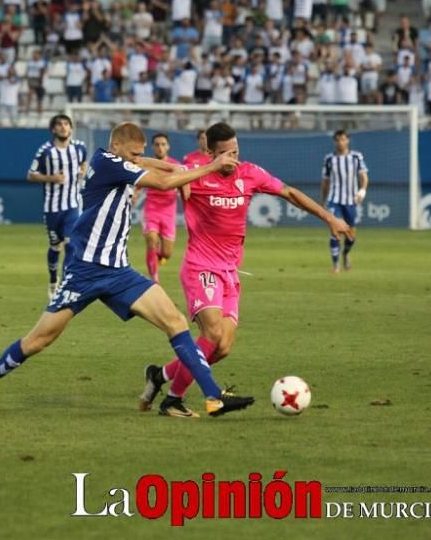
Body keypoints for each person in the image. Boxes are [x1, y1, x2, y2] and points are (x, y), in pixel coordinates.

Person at [0, 122, 255, 418]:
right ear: (116, 145)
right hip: (85, 272)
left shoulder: (115, 159)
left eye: (140, 153)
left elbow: (145, 162)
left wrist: (167, 164)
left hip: (119, 272)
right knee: (39, 340)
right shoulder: (108, 163)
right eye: (134, 153)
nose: (138, 158)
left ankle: (213, 397)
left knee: (175, 322)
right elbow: (161, 182)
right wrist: (211, 166)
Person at [138, 121, 353, 417]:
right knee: (211, 334)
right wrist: (130, 159)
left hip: (230, 272)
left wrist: (329, 218)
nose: (232, 159)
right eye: (225, 153)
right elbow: (159, 167)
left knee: (222, 347)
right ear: (211, 153)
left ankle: (159, 376)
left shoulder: (250, 173)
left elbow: (289, 193)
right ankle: (174, 400)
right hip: (201, 267)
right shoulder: (195, 175)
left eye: (235, 151)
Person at [28, 114, 88, 298]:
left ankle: (64, 285)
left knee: (71, 244)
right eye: (59, 125)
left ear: (71, 128)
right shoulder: (45, 151)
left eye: (66, 124)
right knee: (55, 246)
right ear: (53, 130)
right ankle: (53, 279)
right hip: (52, 208)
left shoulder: (79, 148)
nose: (63, 127)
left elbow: (84, 162)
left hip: (72, 205)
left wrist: (82, 172)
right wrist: (51, 178)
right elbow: (31, 175)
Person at [321, 130, 368, 273]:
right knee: (334, 231)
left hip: (350, 201)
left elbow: (364, 177)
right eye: (337, 140)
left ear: (348, 140)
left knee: (351, 235)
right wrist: (323, 201)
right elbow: (325, 182)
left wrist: (362, 191)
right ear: (334, 142)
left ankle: (346, 254)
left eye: (343, 139)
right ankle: (335, 265)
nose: (340, 142)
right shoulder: (329, 159)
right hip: (334, 200)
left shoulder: (356, 157)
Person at [138, 133, 182, 284]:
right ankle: (154, 279)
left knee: (166, 253)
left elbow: (183, 183)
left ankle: (158, 258)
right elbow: (138, 184)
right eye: (157, 144)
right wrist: (134, 196)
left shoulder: (175, 166)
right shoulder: (147, 165)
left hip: (168, 212)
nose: (160, 147)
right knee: (151, 239)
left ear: (168, 146)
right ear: (152, 147)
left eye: (163, 144)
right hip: (151, 209)